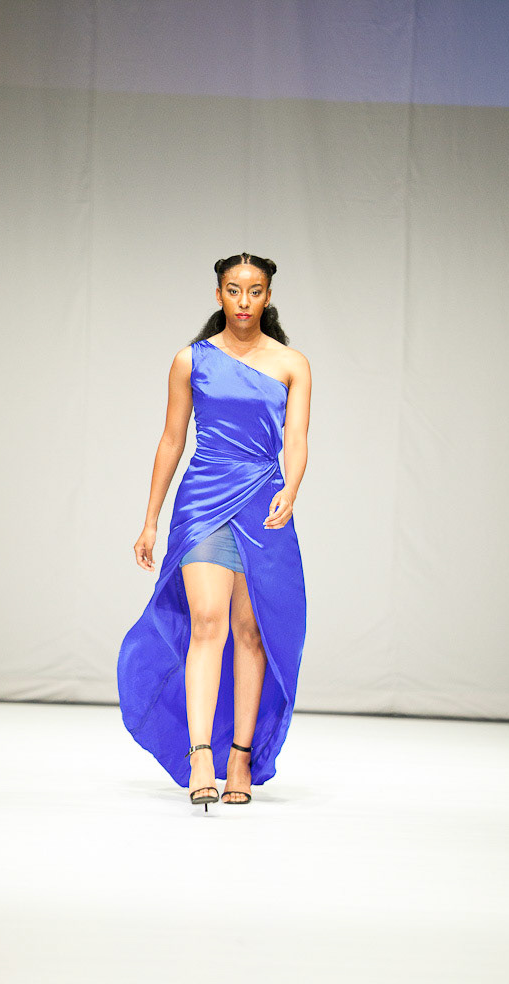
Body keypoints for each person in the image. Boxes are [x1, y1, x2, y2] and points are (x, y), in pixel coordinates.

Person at [117, 252, 311, 811]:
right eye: (233, 289)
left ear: (268, 296)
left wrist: (292, 489)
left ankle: (241, 757)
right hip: (203, 497)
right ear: (219, 293)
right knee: (207, 622)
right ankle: (200, 753)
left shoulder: (292, 364)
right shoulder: (191, 360)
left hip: (263, 500)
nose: (244, 301)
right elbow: (172, 439)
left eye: (255, 291)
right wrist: (150, 520)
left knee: (251, 632)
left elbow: (297, 439)